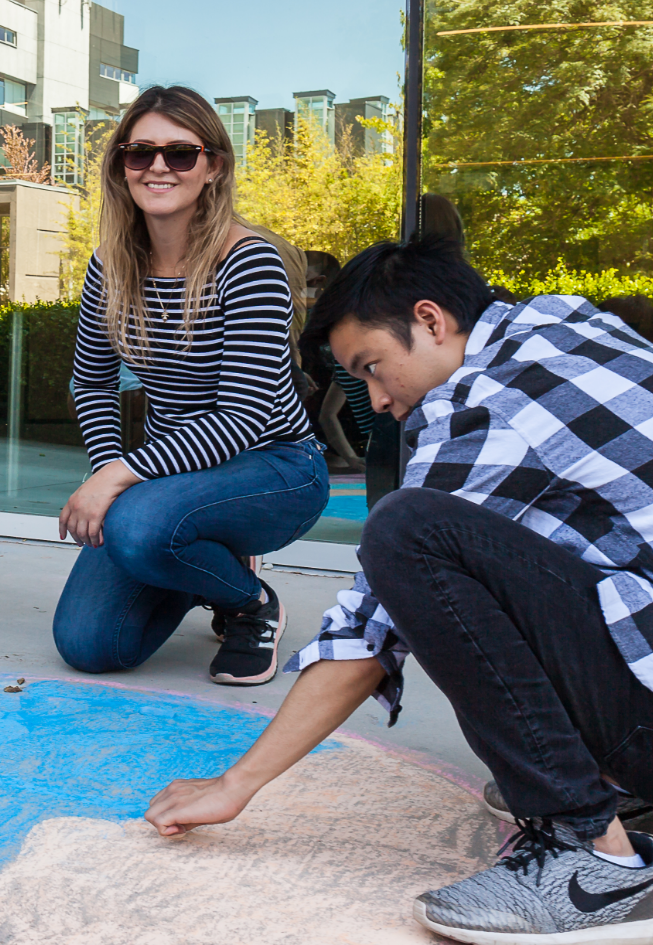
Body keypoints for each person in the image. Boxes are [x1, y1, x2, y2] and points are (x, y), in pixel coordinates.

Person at [145, 235, 653, 944]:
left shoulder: (487, 409)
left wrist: (237, 785)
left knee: (407, 532)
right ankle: (628, 796)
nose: (378, 402)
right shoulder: (563, 323)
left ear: (432, 320)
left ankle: (590, 857)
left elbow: (367, 629)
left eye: (374, 369)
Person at [54, 85, 328, 687]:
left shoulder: (248, 261)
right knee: (88, 643)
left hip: (273, 466)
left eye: (180, 153)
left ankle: (249, 603)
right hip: (167, 479)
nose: (157, 166)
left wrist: (116, 483)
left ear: (213, 167)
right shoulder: (111, 265)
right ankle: (205, 558)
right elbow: (93, 380)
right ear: (121, 165)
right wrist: (109, 472)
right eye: (140, 152)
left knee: (139, 526)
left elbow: (242, 417)